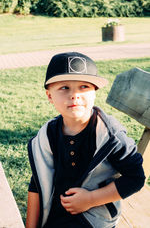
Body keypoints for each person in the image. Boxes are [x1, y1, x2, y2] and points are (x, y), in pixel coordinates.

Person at [26, 52, 145, 228]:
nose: (74, 95)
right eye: (64, 87)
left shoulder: (110, 136)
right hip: (54, 215)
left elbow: (135, 178)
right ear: (50, 96)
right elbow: (37, 181)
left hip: (94, 216)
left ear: (95, 93)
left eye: (83, 87)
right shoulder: (48, 136)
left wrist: (90, 199)